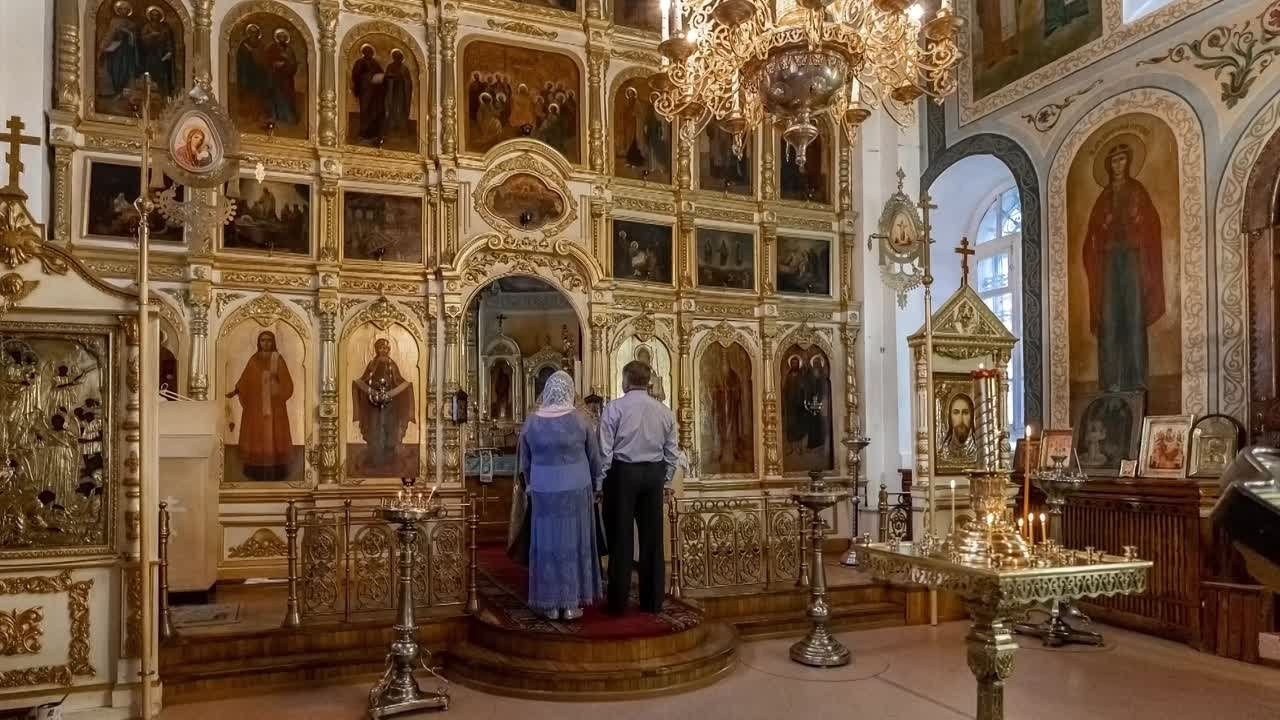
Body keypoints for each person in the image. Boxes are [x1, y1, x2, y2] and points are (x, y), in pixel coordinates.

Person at [516, 371, 603, 620]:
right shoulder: (581, 419)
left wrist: (532, 483)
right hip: (576, 488)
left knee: (548, 543)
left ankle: (550, 605)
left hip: (544, 490)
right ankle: (571, 603)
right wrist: (598, 484)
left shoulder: (531, 422)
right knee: (574, 543)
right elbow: (594, 456)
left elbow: (525, 461)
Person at [598, 360, 679, 615]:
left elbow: (604, 451)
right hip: (653, 474)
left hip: (622, 474)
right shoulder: (664, 412)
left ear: (625, 380)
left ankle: (618, 603)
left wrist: (600, 482)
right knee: (652, 539)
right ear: (648, 382)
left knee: (620, 538)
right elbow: (672, 452)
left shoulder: (615, 409)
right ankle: (652, 601)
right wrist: (665, 480)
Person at [226, 330, 294, 481]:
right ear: (258, 342)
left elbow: (287, 383)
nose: (266, 343)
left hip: (275, 407)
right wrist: (236, 390)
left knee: (274, 435)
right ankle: (254, 469)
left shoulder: (278, 359)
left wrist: (276, 387)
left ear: (273, 342)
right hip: (255, 407)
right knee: (255, 436)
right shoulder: (254, 360)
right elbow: (246, 379)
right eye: (263, 340)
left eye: (269, 340)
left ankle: (277, 469)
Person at [351, 338, 414, 476]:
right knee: (375, 430)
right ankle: (375, 460)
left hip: (391, 406)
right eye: (381, 348)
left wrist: (405, 387)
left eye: (386, 348)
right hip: (373, 405)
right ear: (377, 349)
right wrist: (367, 389)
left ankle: (390, 460)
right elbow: (365, 380)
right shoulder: (372, 365)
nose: (384, 351)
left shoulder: (392, 365)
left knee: (390, 430)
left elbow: (398, 381)